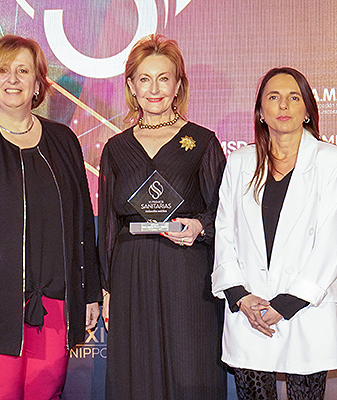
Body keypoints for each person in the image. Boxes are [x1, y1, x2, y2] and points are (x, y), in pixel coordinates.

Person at [0, 35, 101, 400]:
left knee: (46, 395)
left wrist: (88, 294)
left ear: (38, 82)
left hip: (55, 308)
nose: (13, 79)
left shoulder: (63, 141)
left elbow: (83, 224)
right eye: (3, 71)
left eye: (23, 70)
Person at [98, 34, 227, 400]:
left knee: (192, 367)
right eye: (144, 78)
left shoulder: (203, 142)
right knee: (135, 375)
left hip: (187, 270)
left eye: (164, 78)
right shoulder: (116, 148)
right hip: (131, 271)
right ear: (131, 87)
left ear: (178, 85)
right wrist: (107, 286)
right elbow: (108, 220)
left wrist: (201, 226)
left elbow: (227, 214)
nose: (154, 88)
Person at [212, 67, 337, 400]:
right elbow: (224, 233)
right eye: (273, 97)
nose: (284, 105)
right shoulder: (240, 162)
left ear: (307, 111)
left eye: (294, 97)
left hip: (306, 309)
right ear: (261, 111)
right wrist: (240, 296)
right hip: (251, 310)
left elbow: (332, 242)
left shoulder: (331, 161)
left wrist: (288, 303)